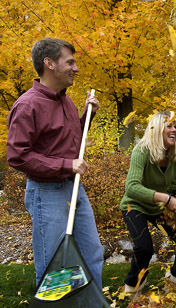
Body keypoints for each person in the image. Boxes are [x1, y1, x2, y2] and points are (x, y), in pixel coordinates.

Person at [6, 37, 103, 290]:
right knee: (55, 266)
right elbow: (17, 155)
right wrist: (66, 165)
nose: (76, 68)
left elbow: (72, 142)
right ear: (49, 63)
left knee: (92, 255)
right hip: (47, 193)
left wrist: (87, 116)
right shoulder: (28, 105)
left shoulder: (66, 101)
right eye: (70, 62)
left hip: (74, 189)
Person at [120, 110, 176, 292]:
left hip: (158, 207)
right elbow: (131, 187)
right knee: (144, 249)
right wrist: (166, 198)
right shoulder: (141, 151)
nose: (174, 129)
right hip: (134, 204)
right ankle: (132, 286)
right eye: (169, 126)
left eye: (175, 126)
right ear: (156, 130)